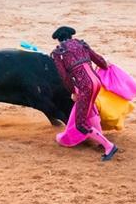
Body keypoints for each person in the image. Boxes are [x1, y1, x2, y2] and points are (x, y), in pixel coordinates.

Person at [50, 26, 118, 161]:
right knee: (90, 109)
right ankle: (100, 140)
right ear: (71, 36)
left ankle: (108, 146)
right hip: (96, 83)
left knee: (80, 123)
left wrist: (73, 92)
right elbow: (99, 60)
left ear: (58, 40)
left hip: (85, 86)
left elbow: (65, 77)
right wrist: (105, 64)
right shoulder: (82, 44)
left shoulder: (58, 53)